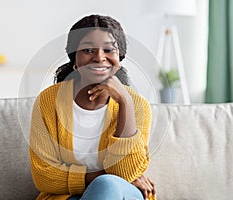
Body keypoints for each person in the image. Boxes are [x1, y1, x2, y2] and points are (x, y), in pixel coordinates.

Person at [29, 14, 156, 200]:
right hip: (67, 197)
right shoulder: (48, 102)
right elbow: (44, 176)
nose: (99, 57)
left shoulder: (137, 105)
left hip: (122, 195)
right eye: (88, 50)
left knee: (106, 185)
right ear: (74, 57)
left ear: (119, 57)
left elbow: (124, 172)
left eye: (108, 50)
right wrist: (98, 176)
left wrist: (125, 103)